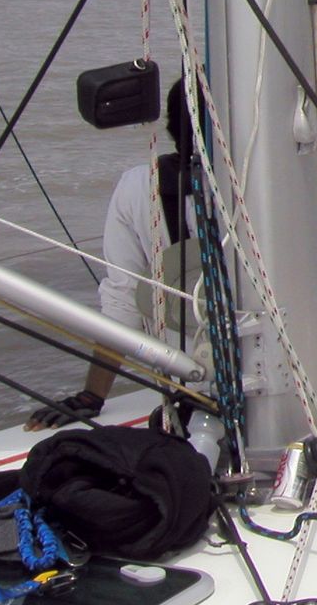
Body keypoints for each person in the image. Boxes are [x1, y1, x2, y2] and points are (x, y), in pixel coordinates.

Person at [25, 78, 198, 430]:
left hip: (189, 381)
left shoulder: (139, 187)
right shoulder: (271, 186)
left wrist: (92, 396)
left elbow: (124, 299)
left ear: (170, 127)